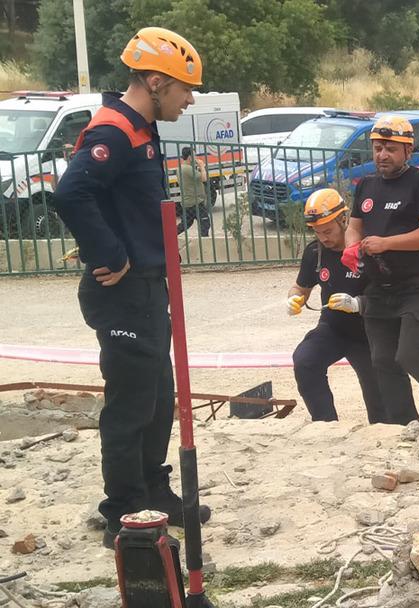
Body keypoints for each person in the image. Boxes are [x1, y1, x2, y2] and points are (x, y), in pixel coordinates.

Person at [53, 27, 212, 548]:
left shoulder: (143, 130)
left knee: (156, 395)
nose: (189, 101)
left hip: (147, 288)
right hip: (122, 291)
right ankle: (122, 509)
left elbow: (122, 203)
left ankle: (152, 490)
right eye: (184, 89)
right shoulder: (116, 130)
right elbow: (72, 193)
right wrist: (112, 254)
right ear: (154, 81)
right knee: (129, 404)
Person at [341, 115, 419, 424]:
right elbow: (354, 228)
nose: (382, 155)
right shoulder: (365, 185)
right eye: (378, 148)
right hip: (378, 287)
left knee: (411, 354)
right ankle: (405, 424)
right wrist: (352, 246)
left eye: (391, 149)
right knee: (383, 360)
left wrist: (387, 243)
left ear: (408, 151)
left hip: (418, 285)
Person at [289, 188, 386, 423]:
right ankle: (326, 424)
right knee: (305, 360)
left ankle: (383, 428)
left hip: (370, 332)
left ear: (343, 219)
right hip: (333, 328)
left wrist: (358, 304)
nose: (324, 238)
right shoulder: (315, 252)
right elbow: (300, 287)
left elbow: (389, 296)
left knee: (379, 398)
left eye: (328, 231)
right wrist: (294, 299)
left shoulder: (368, 249)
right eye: (317, 232)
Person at [176, 146, 210, 236]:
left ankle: (169, 236)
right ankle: (204, 242)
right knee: (205, 223)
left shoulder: (180, 168)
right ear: (190, 157)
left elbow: (193, 179)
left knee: (185, 224)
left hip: (188, 202)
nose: (196, 158)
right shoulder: (188, 169)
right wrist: (202, 166)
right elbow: (204, 178)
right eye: (194, 156)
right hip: (195, 202)